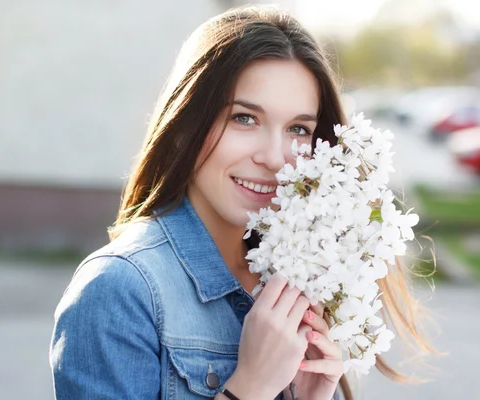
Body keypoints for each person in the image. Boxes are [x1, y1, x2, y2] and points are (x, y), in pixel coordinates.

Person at [49, 5, 434, 399]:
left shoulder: (303, 279)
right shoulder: (118, 292)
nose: (273, 156)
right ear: (184, 124)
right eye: (244, 118)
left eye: (298, 129)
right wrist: (249, 388)